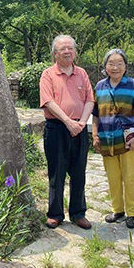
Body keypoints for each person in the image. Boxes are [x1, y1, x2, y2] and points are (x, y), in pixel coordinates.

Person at [39, 34, 94, 229]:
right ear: (55, 53)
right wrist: (68, 121)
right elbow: (48, 101)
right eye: (63, 48)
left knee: (79, 173)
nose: (67, 51)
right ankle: (55, 213)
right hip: (57, 129)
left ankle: (78, 213)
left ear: (75, 52)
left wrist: (82, 122)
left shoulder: (82, 73)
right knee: (57, 173)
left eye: (70, 48)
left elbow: (90, 99)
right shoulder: (48, 74)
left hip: (79, 128)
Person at [91, 49, 134, 229]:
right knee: (113, 178)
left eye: (119, 63)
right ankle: (118, 210)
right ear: (105, 66)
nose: (115, 67)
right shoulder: (100, 87)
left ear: (125, 66)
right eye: (111, 63)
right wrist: (94, 135)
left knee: (130, 178)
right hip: (107, 141)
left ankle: (132, 213)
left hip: (130, 142)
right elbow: (95, 114)